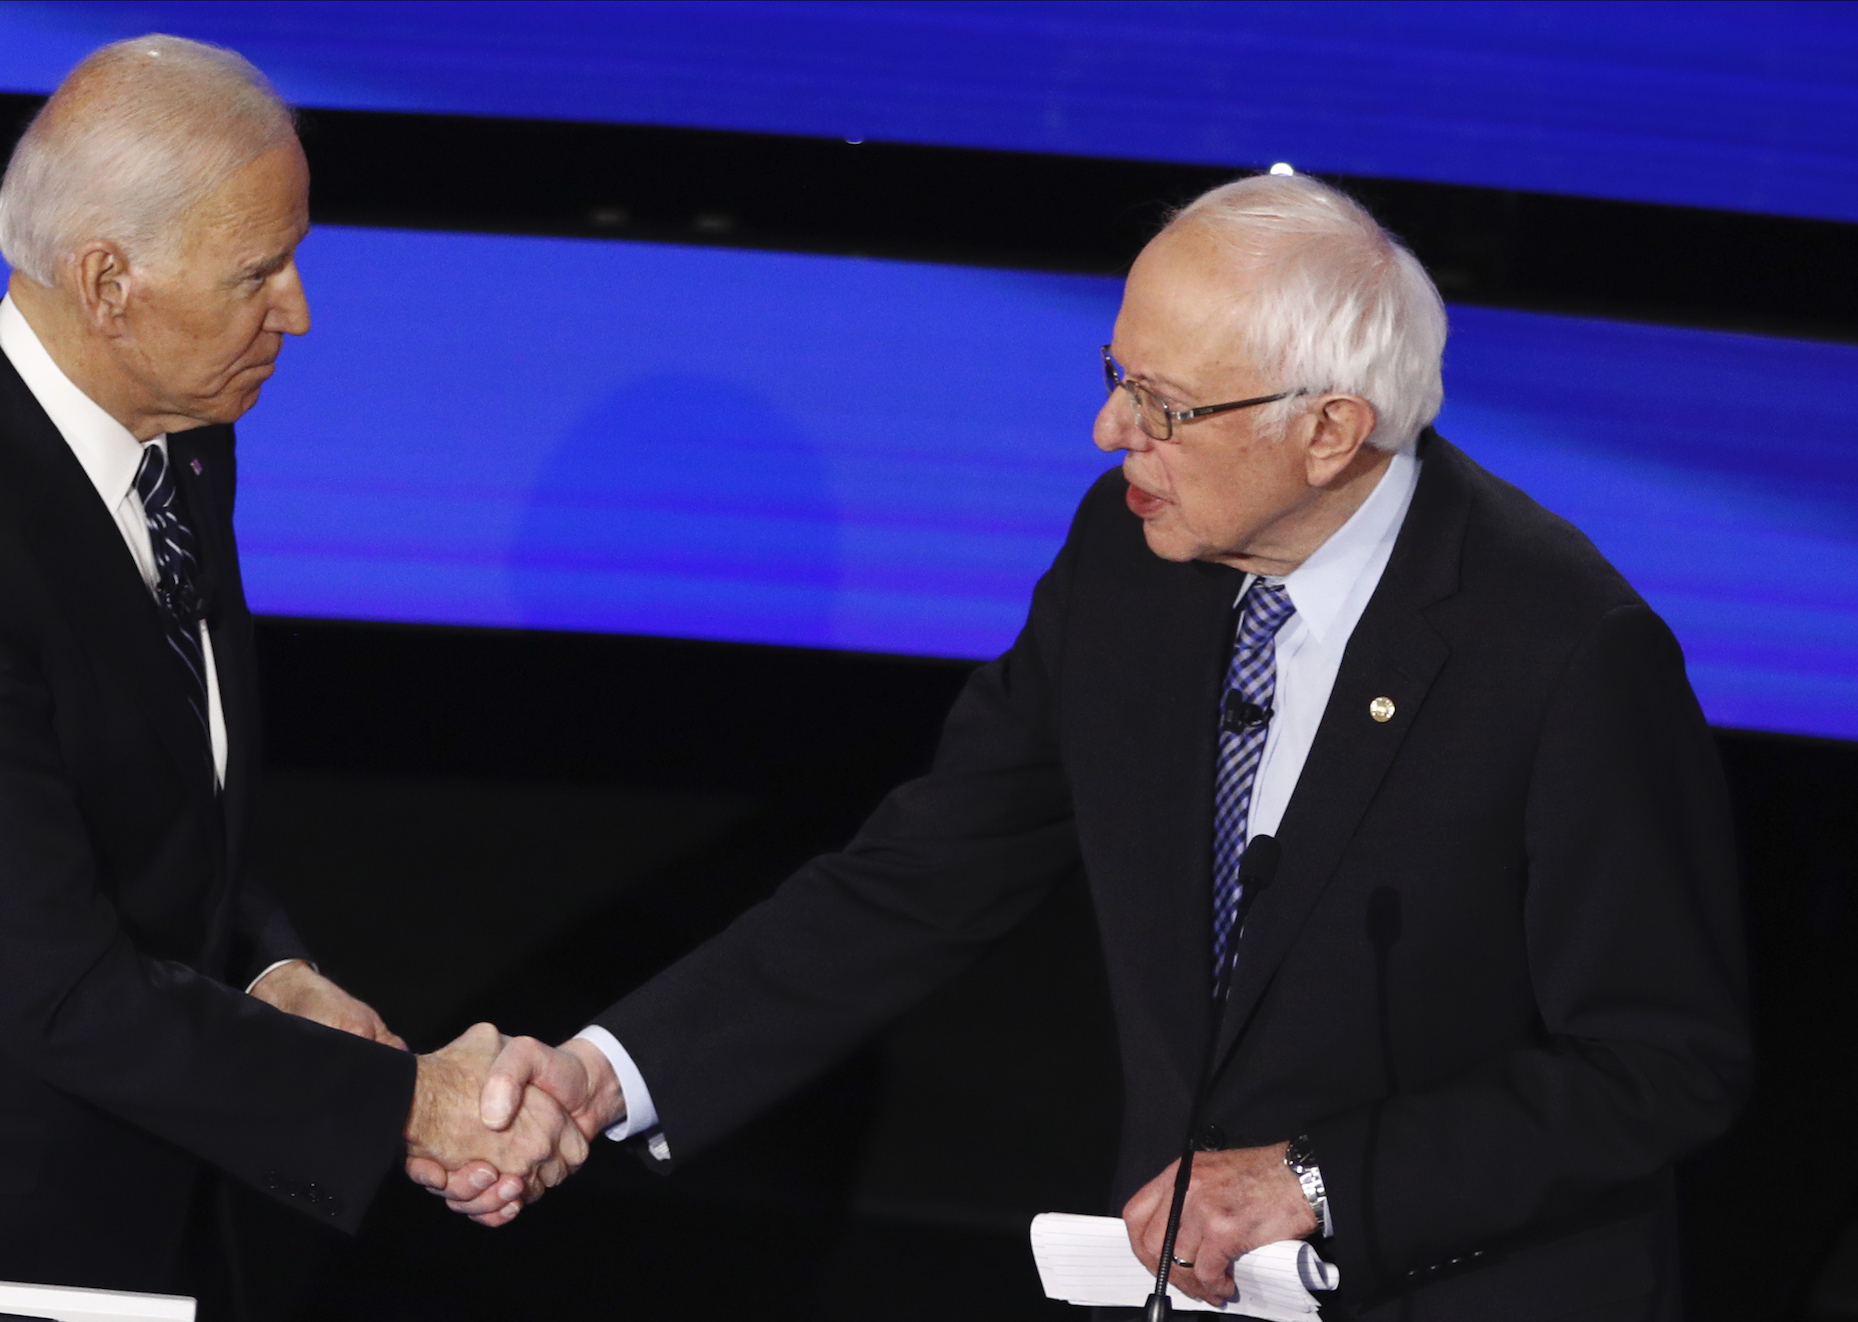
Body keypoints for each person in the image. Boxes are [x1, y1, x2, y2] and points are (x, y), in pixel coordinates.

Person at [421, 173, 1750, 1319]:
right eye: (1116, 377)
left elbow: (1658, 1062)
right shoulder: (1127, 563)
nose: (1113, 432)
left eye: (1164, 405)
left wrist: (1313, 1178)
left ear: (1328, 430)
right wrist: (603, 1074)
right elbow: (924, 871)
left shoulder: (1562, 649)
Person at [0, 35, 583, 1295]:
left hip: (131, 1196)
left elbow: (161, 804)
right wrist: (409, 1100)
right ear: (107, 281)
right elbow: (58, 987)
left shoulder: (179, 442)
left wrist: (271, 968)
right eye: (258, 270)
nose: (297, 308)